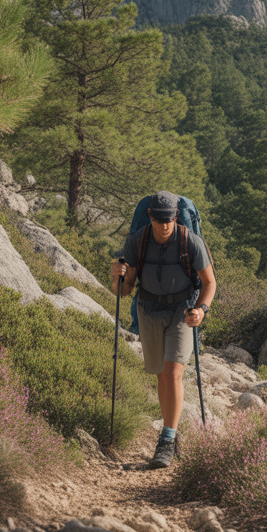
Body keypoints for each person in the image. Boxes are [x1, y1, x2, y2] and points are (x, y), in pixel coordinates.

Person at [110, 191, 215, 468]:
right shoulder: (137, 241)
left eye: (169, 219)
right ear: (150, 216)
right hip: (148, 310)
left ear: (176, 217)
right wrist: (117, 278)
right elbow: (126, 289)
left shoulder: (191, 242)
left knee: (173, 372)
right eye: (159, 219)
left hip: (182, 310)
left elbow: (209, 282)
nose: (165, 225)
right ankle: (172, 430)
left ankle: (166, 440)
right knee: (160, 374)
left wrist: (201, 310)